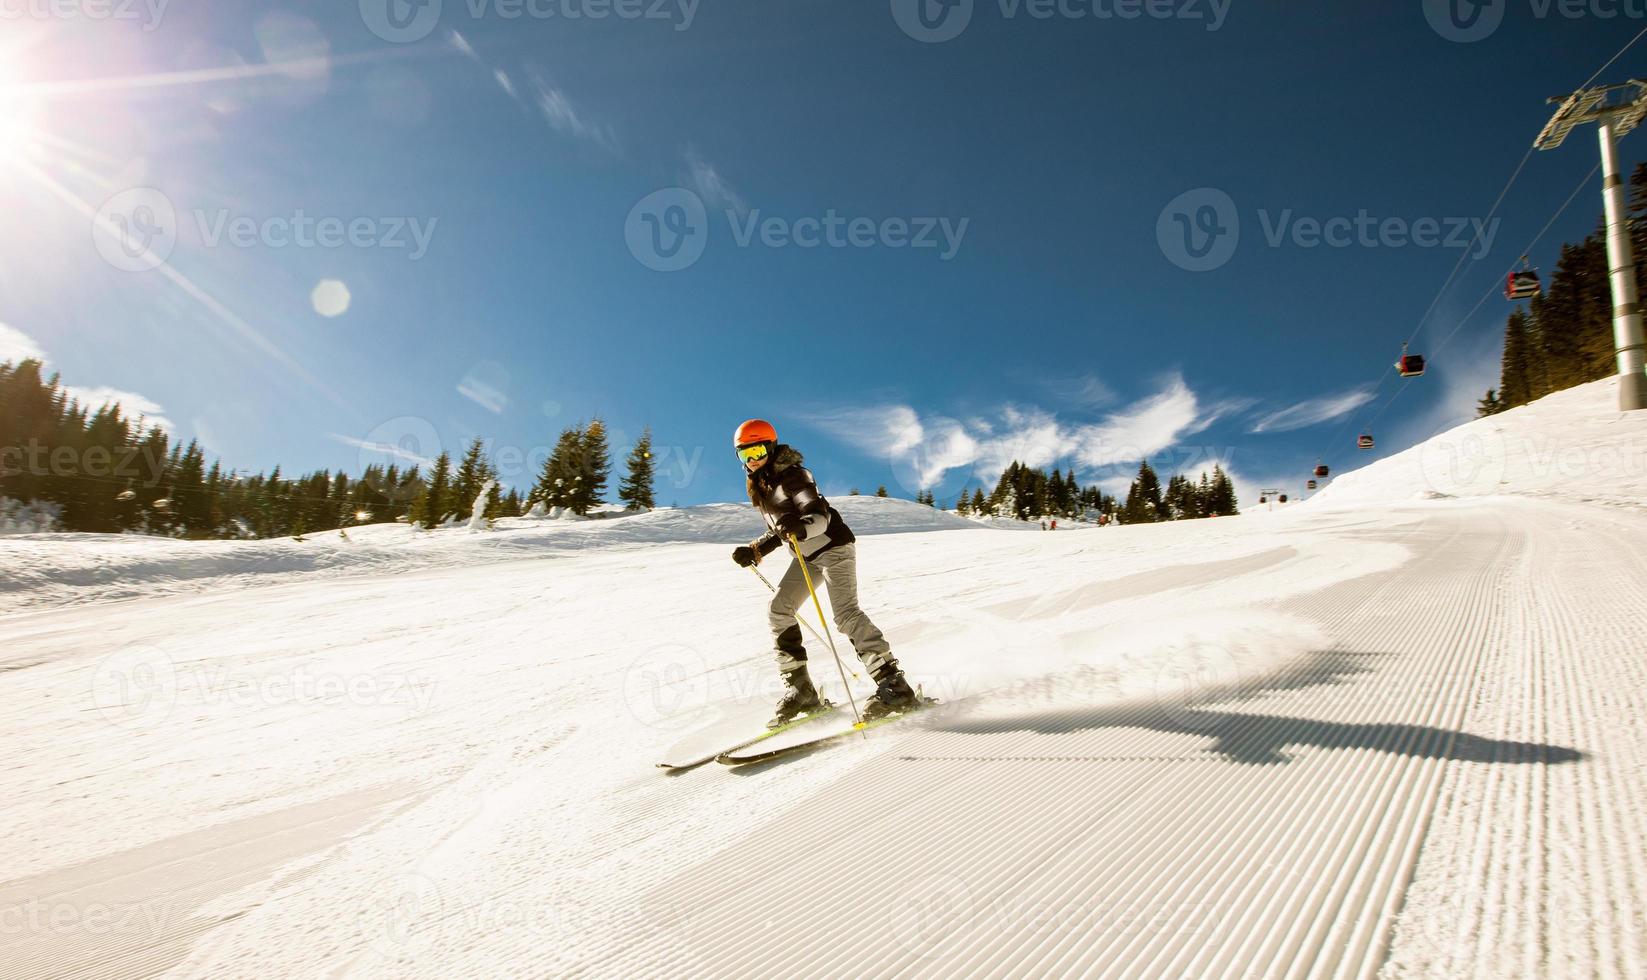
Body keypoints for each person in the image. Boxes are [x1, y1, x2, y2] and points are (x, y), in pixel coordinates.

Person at [728, 419, 917, 727]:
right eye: (744, 455)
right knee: (779, 610)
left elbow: (820, 517)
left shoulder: (793, 476)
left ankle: (894, 685)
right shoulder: (762, 486)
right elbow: (781, 530)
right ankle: (802, 692)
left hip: (833, 548)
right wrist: (757, 550)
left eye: (758, 450)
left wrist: (801, 526)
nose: (753, 460)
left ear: (771, 447)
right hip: (807, 557)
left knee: (845, 614)